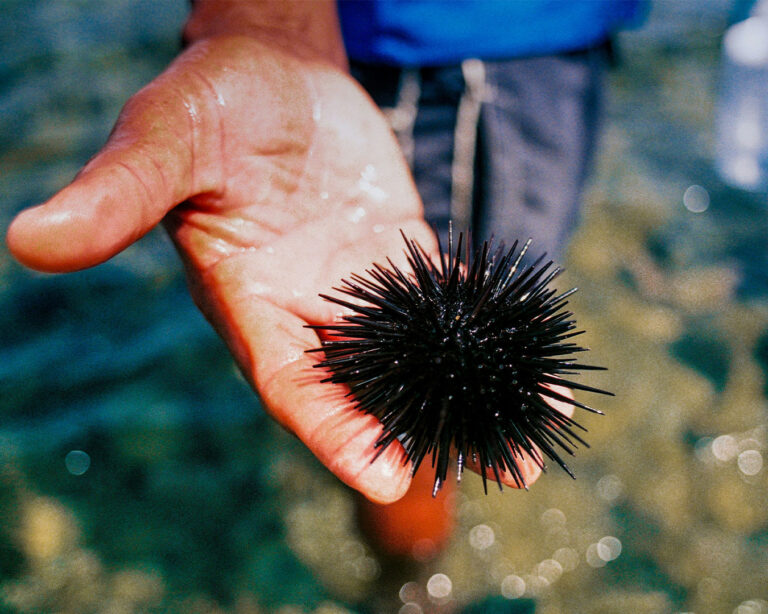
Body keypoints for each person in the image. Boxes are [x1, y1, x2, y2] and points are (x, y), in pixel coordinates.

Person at [5, 1, 636, 508]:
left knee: (469, 326)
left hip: (568, 30)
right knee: (409, 436)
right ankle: (408, 585)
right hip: (440, 46)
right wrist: (263, 22)